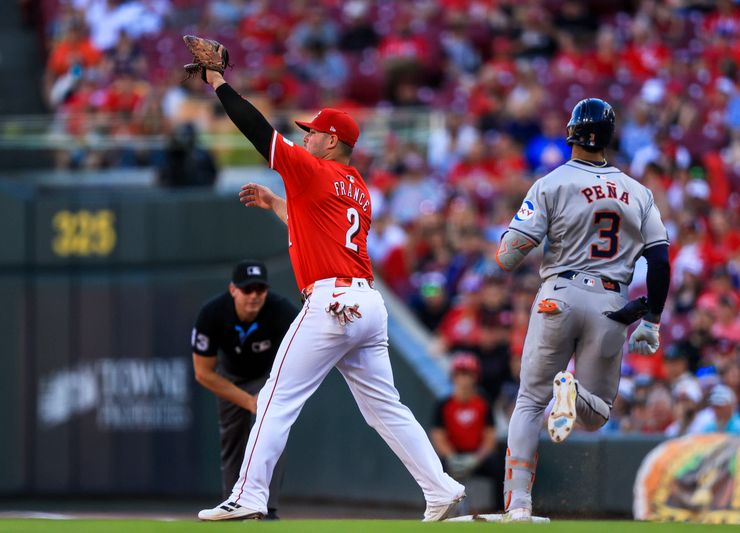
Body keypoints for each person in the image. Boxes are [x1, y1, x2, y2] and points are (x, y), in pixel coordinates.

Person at [197, 59, 465, 522]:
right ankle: (440, 488)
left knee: (277, 398)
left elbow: (256, 129)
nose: (306, 137)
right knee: (386, 408)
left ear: (333, 140)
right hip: (368, 303)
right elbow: (322, 228)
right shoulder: (357, 186)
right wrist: (279, 203)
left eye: (313, 132)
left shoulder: (312, 170)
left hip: (333, 302)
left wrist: (219, 82)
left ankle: (249, 495)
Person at [493, 98, 670, 521]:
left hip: (560, 293)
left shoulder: (552, 182)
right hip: (612, 302)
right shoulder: (638, 192)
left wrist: (509, 242)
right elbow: (660, 261)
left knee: (530, 402)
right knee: (596, 416)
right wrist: (652, 319)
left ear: (572, 132)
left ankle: (518, 505)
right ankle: (570, 390)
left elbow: (508, 256)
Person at [192, 260, 298, 520]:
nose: (253, 296)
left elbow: (301, 355)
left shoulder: (281, 310)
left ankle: (268, 509)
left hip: (267, 376)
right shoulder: (212, 314)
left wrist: (273, 392)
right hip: (230, 378)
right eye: (247, 289)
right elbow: (203, 372)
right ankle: (235, 506)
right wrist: (249, 401)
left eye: (259, 290)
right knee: (233, 440)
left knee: (273, 435)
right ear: (233, 290)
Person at [431, 353, 503, 512]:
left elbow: (490, 436)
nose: (464, 380)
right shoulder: (444, 404)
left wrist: (477, 458)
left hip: (477, 457)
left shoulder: (483, 402)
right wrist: (451, 456)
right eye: (460, 375)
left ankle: (501, 510)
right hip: (453, 456)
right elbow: (438, 436)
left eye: (468, 375)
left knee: (499, 467)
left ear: (475, 377)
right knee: (432, 469)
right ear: (454, 377)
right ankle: (436, 509)